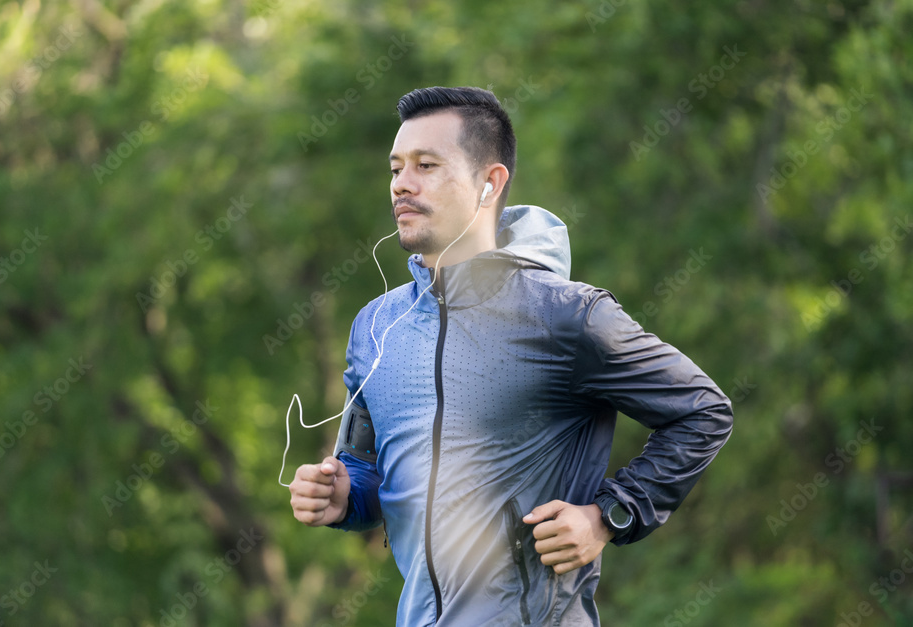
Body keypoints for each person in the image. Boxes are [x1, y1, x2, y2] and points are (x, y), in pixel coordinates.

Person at [289, 86, 733, 626]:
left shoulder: (568, 316)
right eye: (396, 168)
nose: (402, 184)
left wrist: (608, 516)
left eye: (426, 165)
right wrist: (342, 496)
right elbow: (367, 470)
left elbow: (703, 411)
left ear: (489, 183)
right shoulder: (376, 327)